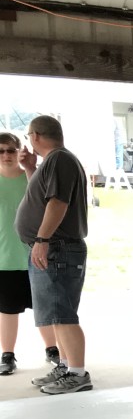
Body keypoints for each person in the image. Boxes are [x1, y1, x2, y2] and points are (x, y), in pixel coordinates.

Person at [15, 115, 92, 395]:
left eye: (28, 136)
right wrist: (29, 168)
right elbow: (41, 196)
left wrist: (42, 239)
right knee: (54, 314)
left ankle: (77, 373)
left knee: (62, 313)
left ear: (35, 136)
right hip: (52, 247)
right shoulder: (52, 162)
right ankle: (66, 364)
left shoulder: (60, 159)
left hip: (58, 247)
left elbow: (57, 203)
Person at [0, 130, 55, 376]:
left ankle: (53, 350)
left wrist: (30, 167)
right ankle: (8, 355)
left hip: (35, 255)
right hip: (5, 257)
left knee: (44, 307)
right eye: (0, 151)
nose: (5, 155)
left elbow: (47, 205)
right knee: (7, 309)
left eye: (10, 150)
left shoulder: (31, 178)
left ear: (19, 151)